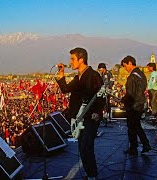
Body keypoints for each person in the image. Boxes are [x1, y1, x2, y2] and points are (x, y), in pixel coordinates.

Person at [56, 47, 105, 179]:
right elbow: (65, 89)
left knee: (86, 147)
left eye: (72, 59)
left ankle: (92, 175)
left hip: (90, 118)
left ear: (81, 59)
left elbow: (101, 96)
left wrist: (97, 112)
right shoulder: (78, 77)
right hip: (80, 118)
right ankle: (90, 174)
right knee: (82, 148)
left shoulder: (93, 75)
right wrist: (61, 75)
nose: (70, 62)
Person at [121, 55, 151, 155]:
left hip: (133, 106)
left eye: (125, 66)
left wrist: (123, 100)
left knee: (132, 127)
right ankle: (145, 144)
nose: (125, 69)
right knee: (137, 126)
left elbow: (130, 94)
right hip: (140, 104)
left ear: (130, 63)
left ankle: (134, 148)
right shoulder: (141, 74)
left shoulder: (132, 77)